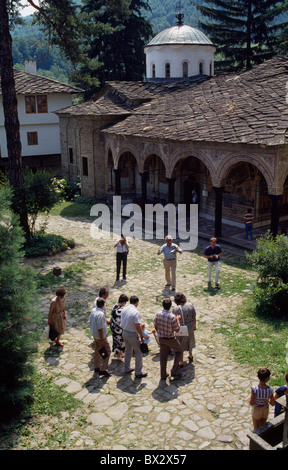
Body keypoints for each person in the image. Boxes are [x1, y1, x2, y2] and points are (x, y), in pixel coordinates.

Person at [154, 298, 182, 380]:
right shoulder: (172, 317)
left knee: (163, 357)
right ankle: (174, 370)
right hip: (170, 338)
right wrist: (178, 320)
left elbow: (155, 326)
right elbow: (177, 329)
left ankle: (163, 374)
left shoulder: (158, 314)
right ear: (170, 306)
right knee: (179, 351)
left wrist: (160, 331)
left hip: (162, 338)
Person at [120, 295, 147, 378]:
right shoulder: (136, 312)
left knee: (128, 351)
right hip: (132, 334)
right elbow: (137, 325)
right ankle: (138, 372)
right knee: (138, 352)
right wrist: (141, 336)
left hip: (124, 332)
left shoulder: (124, 309)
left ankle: (127, 368)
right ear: (136, 302)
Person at [89, 297, 111, 377]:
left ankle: (97, 367)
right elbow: (100, 328)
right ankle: (103, 369)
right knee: (107, 351)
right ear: (103, 305)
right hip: (100, 337)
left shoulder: (93, 311)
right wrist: (102, 340)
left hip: (94, 335)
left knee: (97, 351)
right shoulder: (101, 315)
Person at [172, 292, 196, 365]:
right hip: (189, 326)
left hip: (180, 327)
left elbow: (174, 319)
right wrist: (194, 326)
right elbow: (194, 317)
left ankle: (181, 360)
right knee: (190, 339)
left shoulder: (175, 309)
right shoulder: (190, 305)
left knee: (180, 343)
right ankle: (190, 354)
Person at [110, 293, 128, 359]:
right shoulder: (122, 310)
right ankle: (119, 353)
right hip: (119, 329)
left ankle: (116, 353)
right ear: (124, 302)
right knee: (120, 342)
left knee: (115, 341)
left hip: (112, 326)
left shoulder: (114, 306)